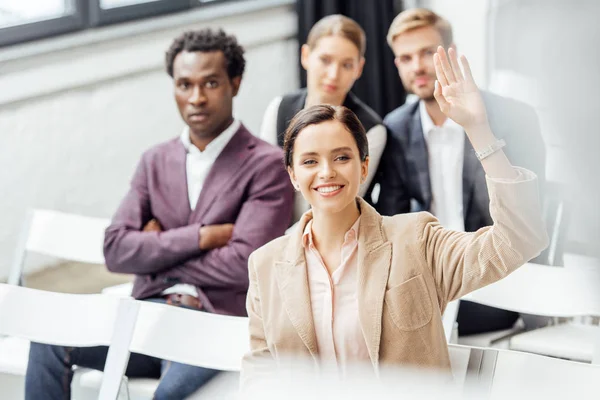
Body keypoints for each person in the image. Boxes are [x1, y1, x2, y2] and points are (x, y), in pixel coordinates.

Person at [240, 47, 548, 389]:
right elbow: (260, 370)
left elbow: (518, 239)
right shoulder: (265, 265)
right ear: (293, 175)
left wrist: (478, 129)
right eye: (310, 161)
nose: (326, 172)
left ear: (364, 167)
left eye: (342, 157)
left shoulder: (416, 238)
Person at [25, 28, 294, 400]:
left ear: (235, 83)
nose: (196, 98)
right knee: (50, 340)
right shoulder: (155, 160)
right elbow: (116, 249)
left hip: (216, 324)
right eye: (184, 85)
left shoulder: (267, 165)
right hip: (147, 314)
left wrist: (154, 252)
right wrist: (200, 237)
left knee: (167, 396)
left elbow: (243, 264)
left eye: (210, 83)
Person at [374, 8, 547, 335]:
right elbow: (392, 221)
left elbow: (532, 214)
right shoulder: (396, 128)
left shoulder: (516, 117)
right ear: (396, 64)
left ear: (451, 51)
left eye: (427, 53)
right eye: (406, 58)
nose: (418, 66)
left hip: (497, 266)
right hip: (432, 271)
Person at [259, 14, 386, 219]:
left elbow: (339, 205)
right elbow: (264, 187)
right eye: (325, 60)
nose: (333, 74)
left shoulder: (371, 129)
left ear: (359, 68)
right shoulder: (278, 108)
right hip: (277, 228)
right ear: (305, 55)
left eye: (346, 65)